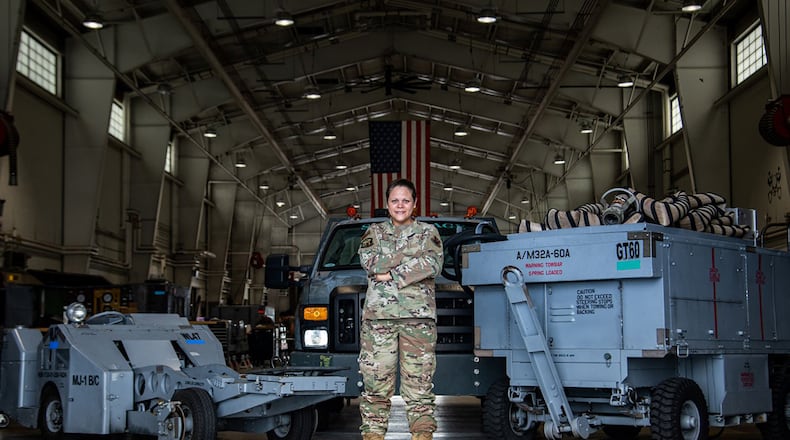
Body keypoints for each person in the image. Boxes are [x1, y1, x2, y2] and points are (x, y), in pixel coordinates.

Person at [357, 179, 444, 440]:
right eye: (395, 200)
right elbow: (371, 263)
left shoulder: (429, 232)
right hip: (378, 321)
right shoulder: (373, 232)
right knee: (375, 385)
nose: (400, 205)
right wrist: (410, 257)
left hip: (418, 322)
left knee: (419, 388)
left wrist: (392, 273)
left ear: (415, 203)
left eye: (406, 200)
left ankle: (422, 436)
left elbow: (432, 264)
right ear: (387, 204)